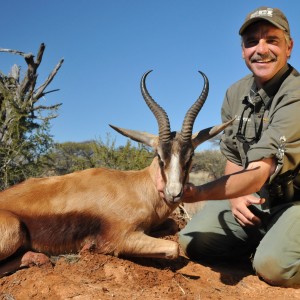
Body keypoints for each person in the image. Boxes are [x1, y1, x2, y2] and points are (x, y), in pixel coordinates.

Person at [157, 6, 300, 287]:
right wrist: (235, 198)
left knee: (274, 268)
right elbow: (234, 156)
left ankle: (274, 253)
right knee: (193, 241)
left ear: (289, 47)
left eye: (271, 40)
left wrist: (196, 194)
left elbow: (259, 171)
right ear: (243, 50)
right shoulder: (235, 93)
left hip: (295, 203)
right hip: (259, 201)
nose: (261, 50)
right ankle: (267, 243)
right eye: (251, 42)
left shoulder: (295, 94)